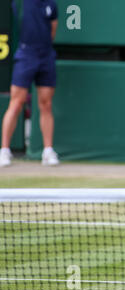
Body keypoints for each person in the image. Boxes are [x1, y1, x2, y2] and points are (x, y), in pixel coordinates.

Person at [0, 0, 59, 167]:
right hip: (26, 54)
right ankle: (4, 150)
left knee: (46, 104)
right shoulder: (21, 2)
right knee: (16, 102)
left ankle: (48, 151)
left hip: (46, 56)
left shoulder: (52, 4)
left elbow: (52, 29)